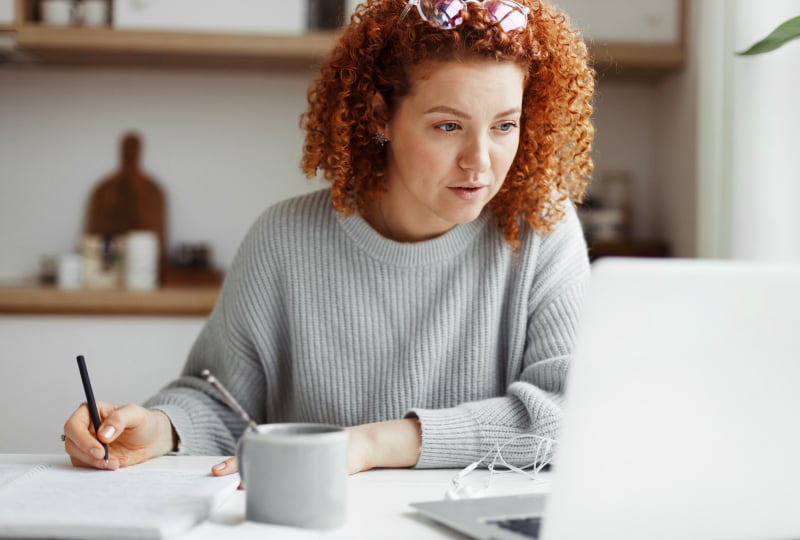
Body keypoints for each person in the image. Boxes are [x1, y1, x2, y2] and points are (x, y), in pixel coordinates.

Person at [63, 0, 595, 476]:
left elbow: (572, 414)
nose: (480, 161)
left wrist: (372, 444)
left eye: (505, 125)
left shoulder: (543, 230)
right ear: (381, 115)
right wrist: (162, 429)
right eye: (448, 126)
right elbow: (221, 399)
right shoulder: (284, 240)